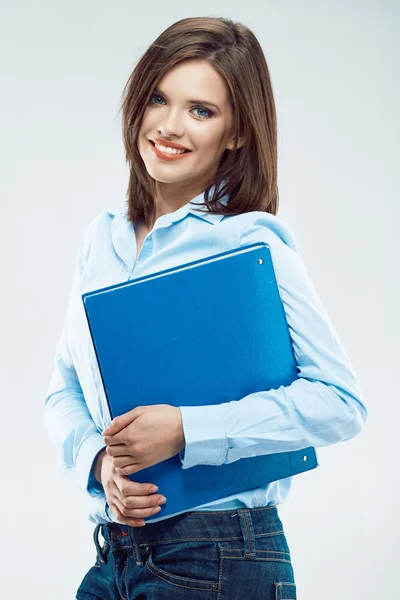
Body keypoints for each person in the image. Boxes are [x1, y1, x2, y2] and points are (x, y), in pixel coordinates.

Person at [44, 16, 368, 600]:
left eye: (201, 110)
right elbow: (63, 390)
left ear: (237, 133)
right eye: (159, 99)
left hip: (219, 555)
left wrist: (188, 430)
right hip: (115, 551)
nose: (169, 126)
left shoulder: (250, 244)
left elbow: (341, 403)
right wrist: (101, 466)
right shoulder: (101, 241)